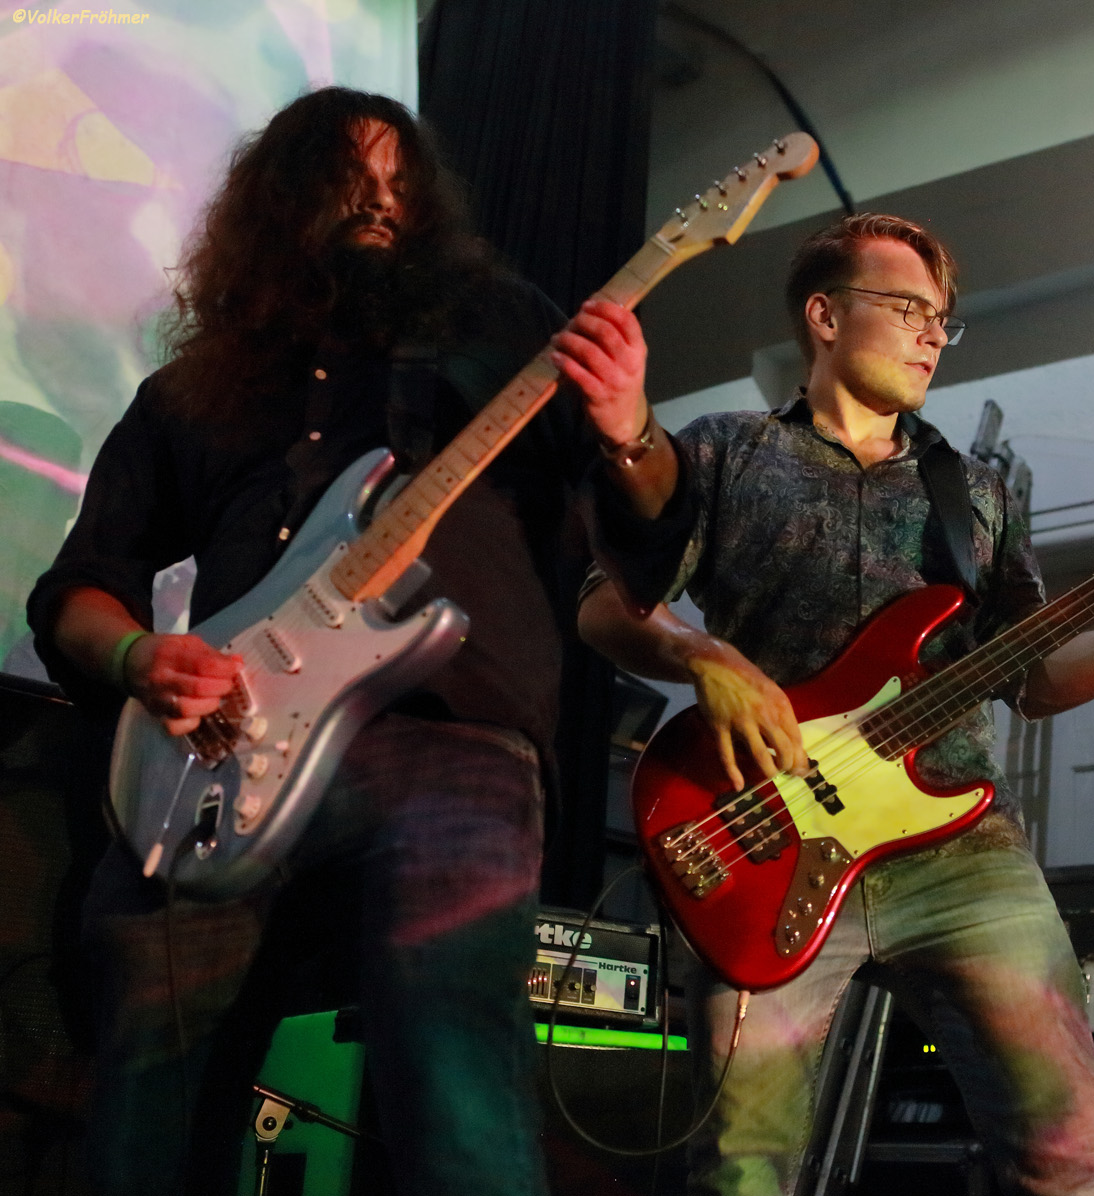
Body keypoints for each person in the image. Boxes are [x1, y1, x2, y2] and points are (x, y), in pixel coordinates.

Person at [26, 88, 692, 1195]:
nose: (379, 201)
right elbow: (80, 586)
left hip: (450, 738)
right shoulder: (196, 385)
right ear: (281, 201)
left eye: (399, 183)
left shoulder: (502, 329)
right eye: (349, 179)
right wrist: (139, 658)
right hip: (218, 757)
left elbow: (645, 547)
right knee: (148, 1100)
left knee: (455, 1079)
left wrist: (631, 430)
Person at [578, 213, 1094, 1195]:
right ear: (824, 316)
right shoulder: (725, 451)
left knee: (1074, 1157)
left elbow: (1036, 677)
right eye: (907, 308)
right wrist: (701, 654)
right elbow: (605, 603)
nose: (934, 334)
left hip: (962, 853)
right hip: (764, 836)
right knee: (743, 1168)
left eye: (943, 318)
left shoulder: (972, 496)